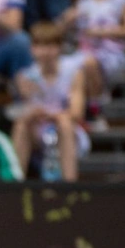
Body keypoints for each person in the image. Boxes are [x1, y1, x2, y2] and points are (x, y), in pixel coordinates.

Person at [11, 22, 87, 182]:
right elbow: (24, 109)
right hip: (39, 132)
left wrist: (53, 115)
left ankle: (69, 184)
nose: (45, 52)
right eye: (40, 46)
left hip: (67, 130)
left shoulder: (73, 72)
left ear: (59, 47)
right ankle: (16, 182)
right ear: (32, 49)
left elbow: (76, 112)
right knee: (22, 124)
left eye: (50, 46)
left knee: (64, 122)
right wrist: (32, 112)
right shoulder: (25, 76)